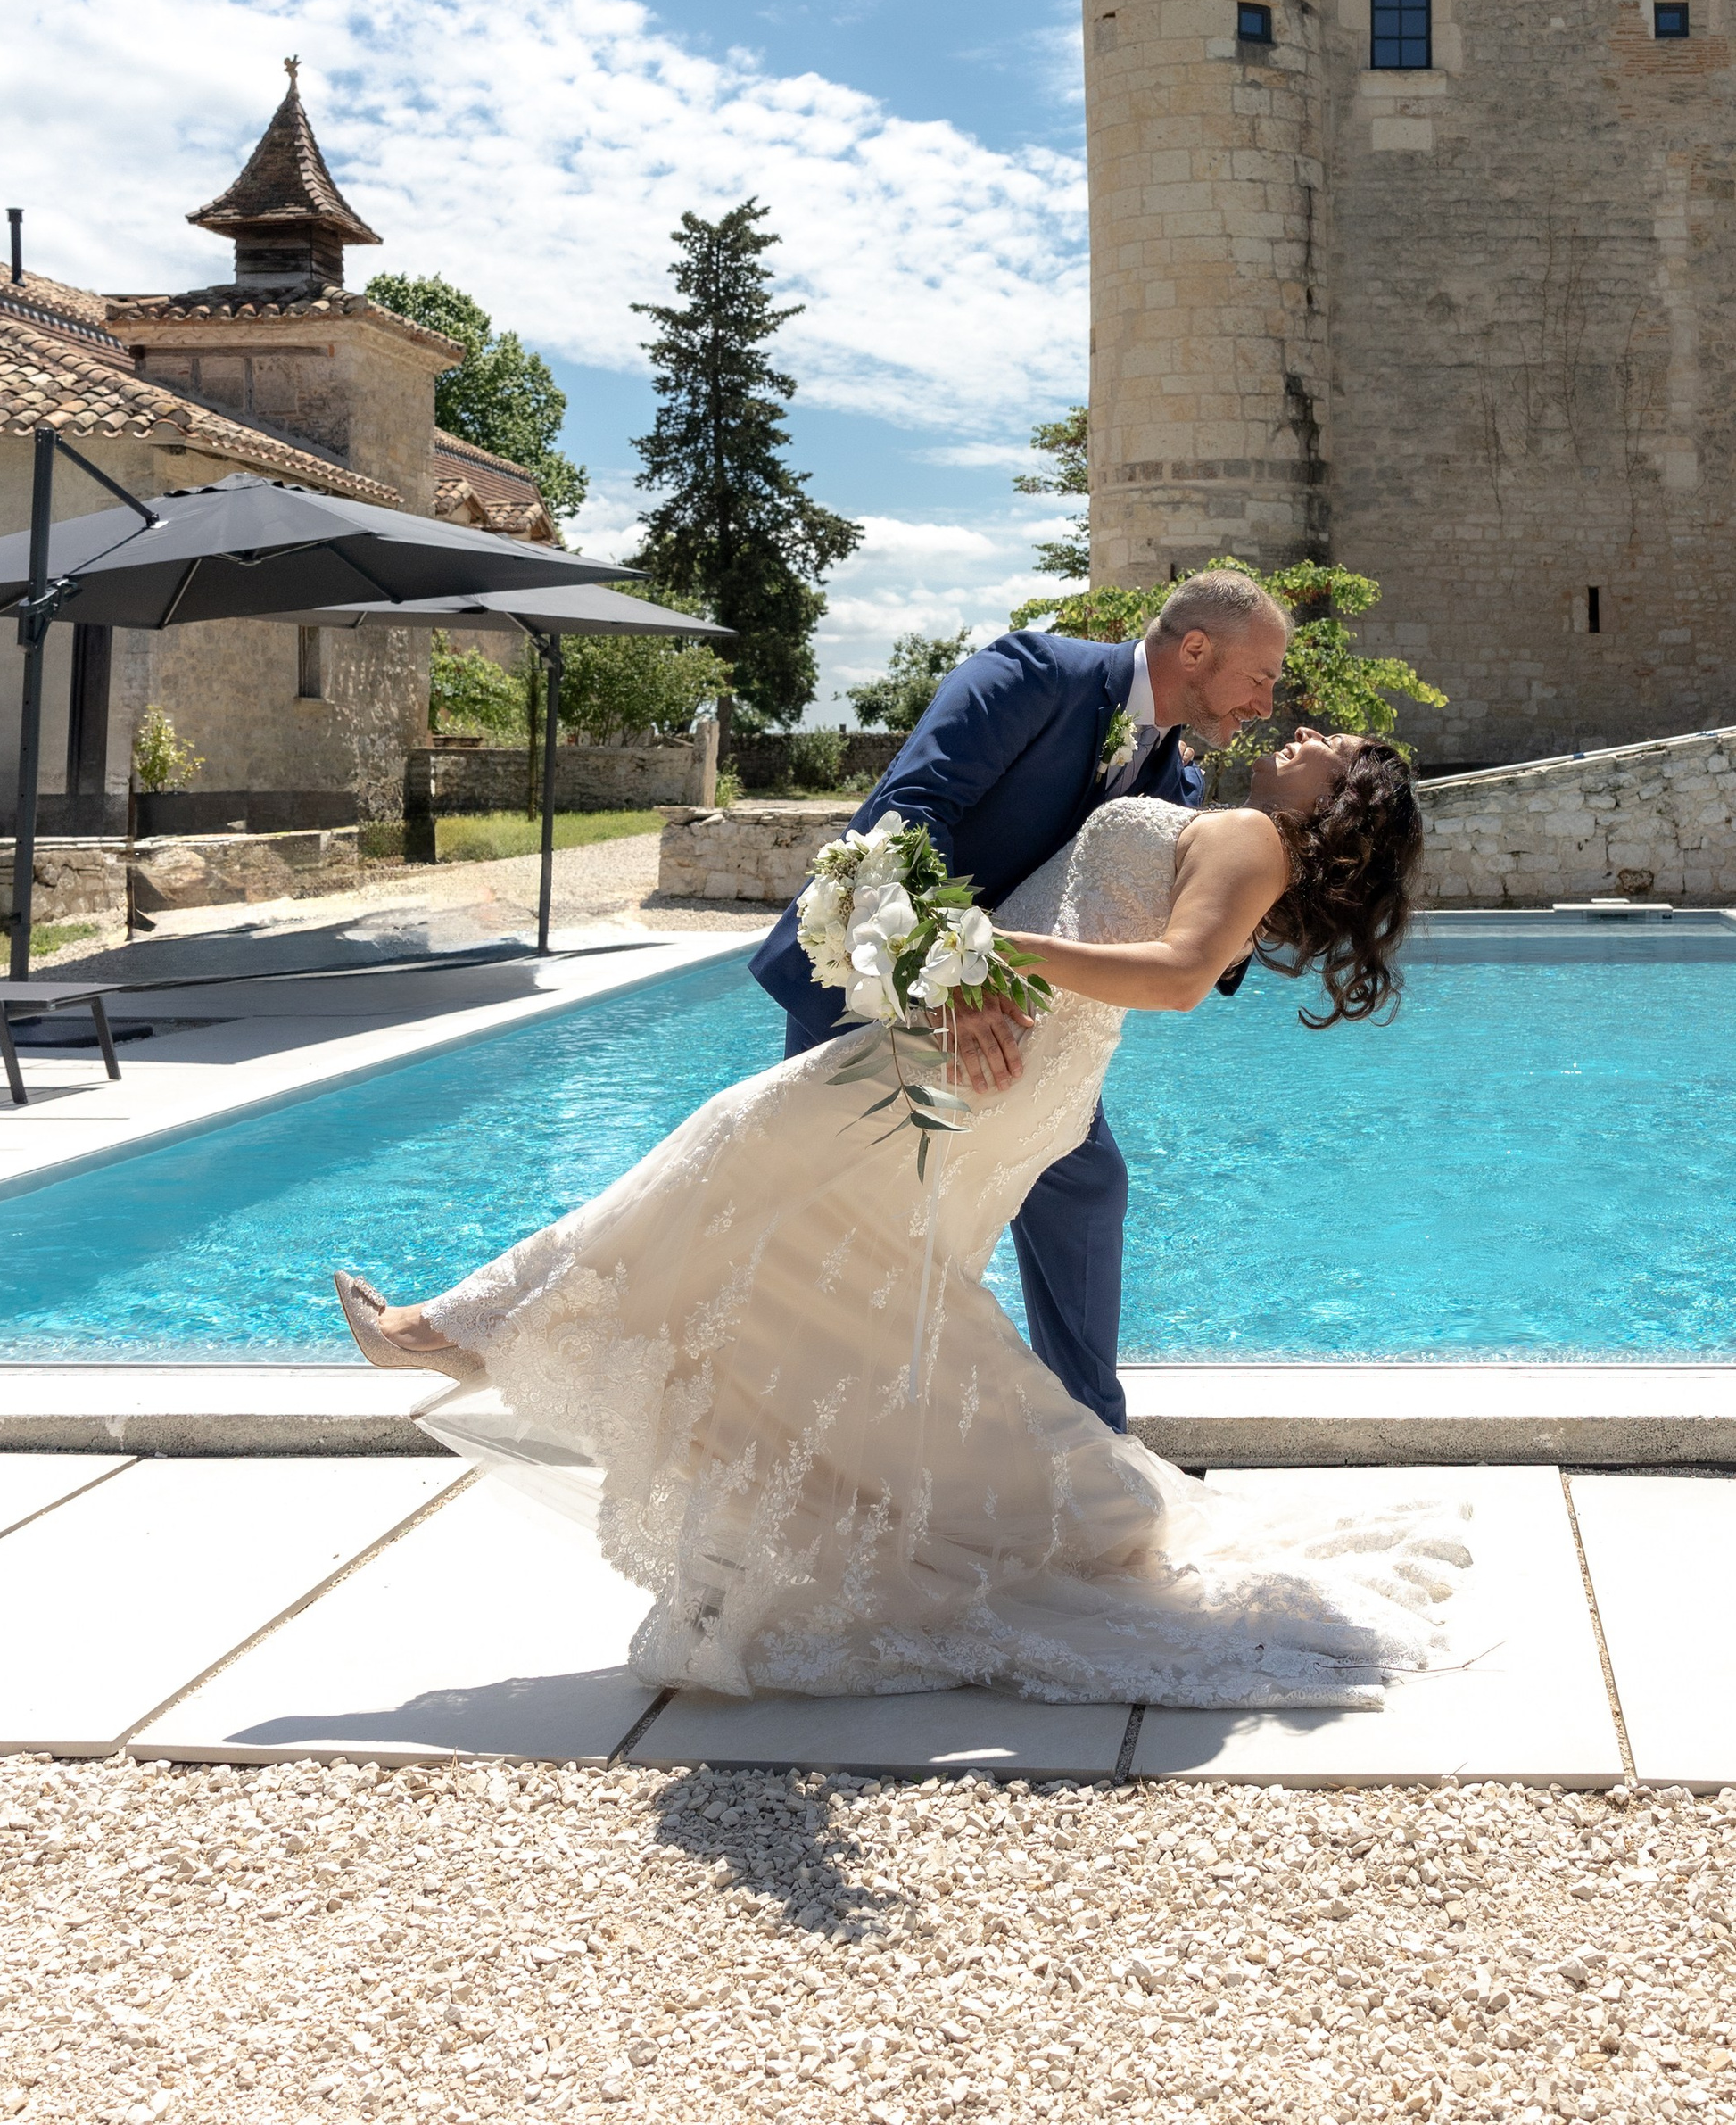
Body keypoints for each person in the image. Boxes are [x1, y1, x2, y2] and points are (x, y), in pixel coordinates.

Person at [332, 728, 1462, 1710]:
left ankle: (457, 1330)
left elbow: (1173, 975)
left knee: (739, 1148)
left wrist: (983, 952)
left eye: (1334, 748)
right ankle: (1072, 1509)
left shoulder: (1254, 835)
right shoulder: (1230, 821)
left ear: (1339, 797)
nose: (1307, 733)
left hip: (997, 1057)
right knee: (835, 1265)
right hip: (989, 1050)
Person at [748, 575, 1291, 1434]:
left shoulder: (1173, 779)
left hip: (1015, 1026)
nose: (1267, 702)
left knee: (1082, 1181)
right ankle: (788, 1431)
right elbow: (910, 810)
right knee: (819, 1217)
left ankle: (1092, 1439)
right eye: (1261, 676)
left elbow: (1175, 922)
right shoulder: (1033, 671)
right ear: (1196, 651)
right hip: (878, 978)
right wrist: (953, 977)